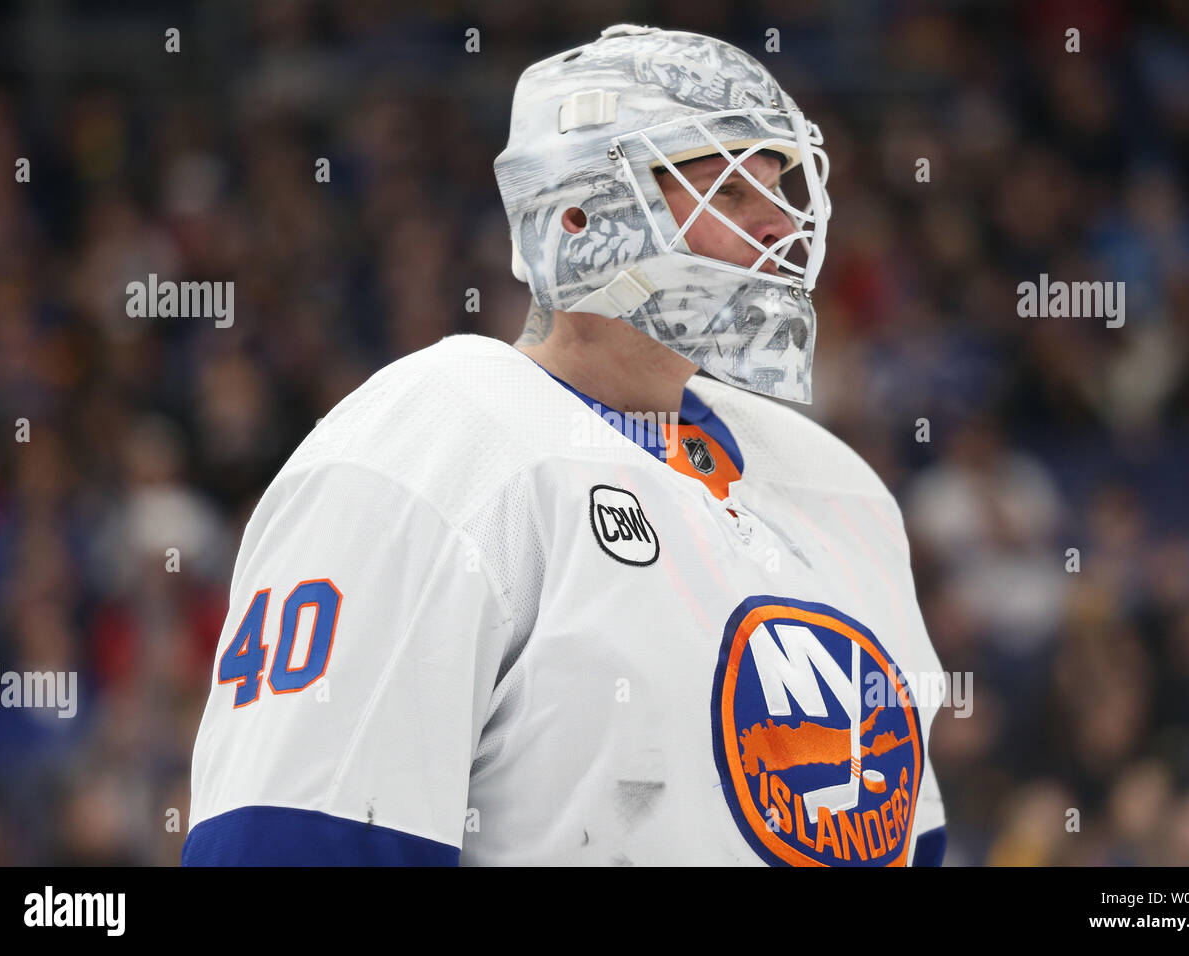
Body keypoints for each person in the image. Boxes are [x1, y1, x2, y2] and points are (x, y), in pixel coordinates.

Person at [183, 23, 948, 866]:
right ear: (583, 215)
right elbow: (297, 842)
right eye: (730, 192)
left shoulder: (836, 486)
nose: (781, 224)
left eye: (783, 185)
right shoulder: (431, 447)